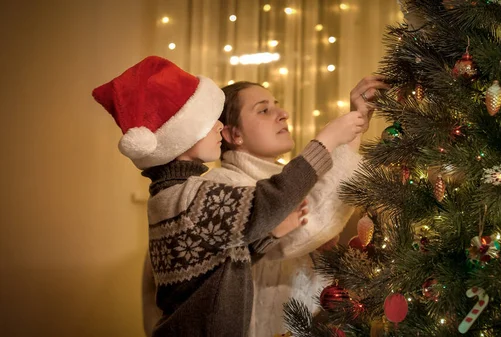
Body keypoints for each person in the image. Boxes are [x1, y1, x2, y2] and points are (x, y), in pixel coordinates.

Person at [92, 56, 367, 337]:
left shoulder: (177, 195)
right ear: (182, 135)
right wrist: (327, 140)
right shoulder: (194, 197)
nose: (218, 129)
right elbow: (273, 197)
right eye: (209, 122)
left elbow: (219, 262)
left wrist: (268, 237)